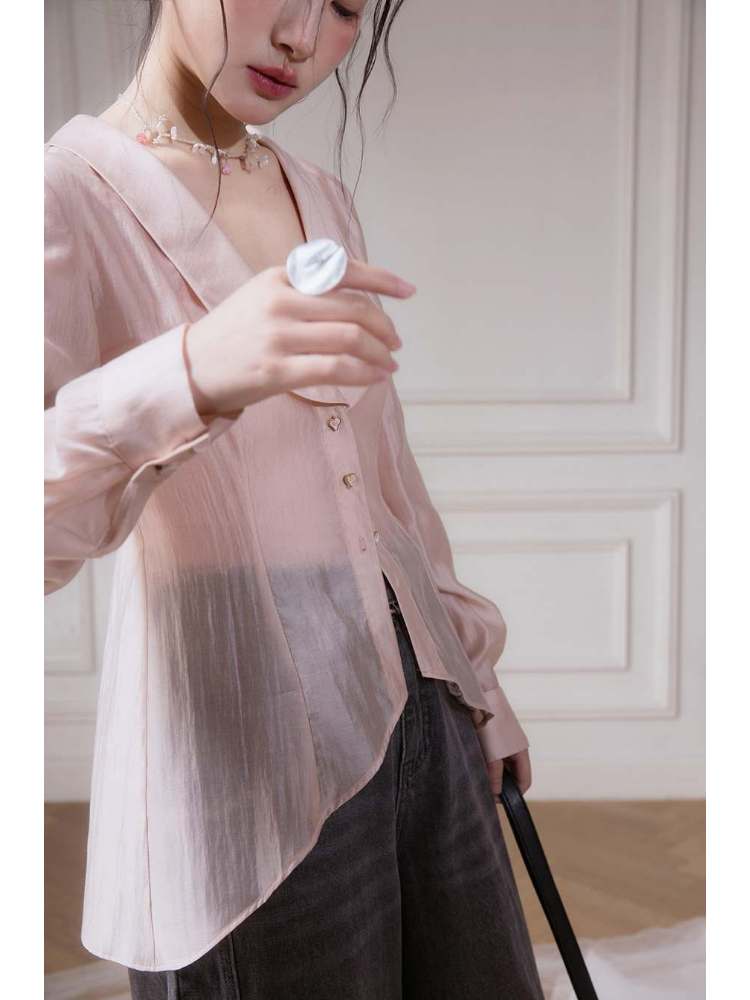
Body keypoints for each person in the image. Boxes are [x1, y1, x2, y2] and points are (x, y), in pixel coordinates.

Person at [44, 1, 544, 996]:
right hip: (239, 730)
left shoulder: (319, 195)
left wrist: (478, 687)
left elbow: (388, 476)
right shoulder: (61, 198)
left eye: (347, 6)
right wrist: (190, 371)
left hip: (422, 694)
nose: (303, 37)